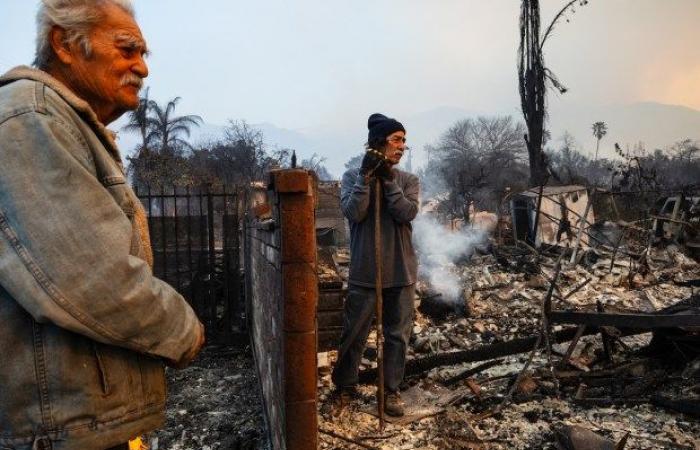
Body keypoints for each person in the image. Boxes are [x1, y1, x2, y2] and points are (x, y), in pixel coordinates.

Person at [0, 1, 204, 448]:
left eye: (144, 54)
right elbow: (92, 275)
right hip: (59, 430)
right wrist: (185, 330)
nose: (142, 68)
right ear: (65, 43)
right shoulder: (29, 117)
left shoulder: (59, 121)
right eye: (128, 49)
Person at [332, 113, 420, 417]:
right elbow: (354, 212)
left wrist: (388, 181)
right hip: (365, 271)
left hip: (401, 271)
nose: (402, 146)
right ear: (379, 142)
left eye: (404, 141)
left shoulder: (408, 180)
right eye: (397, 139)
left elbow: (406, 213)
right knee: (355, 334)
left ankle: (391, 391)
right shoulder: (351, 177)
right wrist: (365, 178)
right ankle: (345, 386)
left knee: (397, 336)